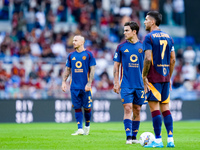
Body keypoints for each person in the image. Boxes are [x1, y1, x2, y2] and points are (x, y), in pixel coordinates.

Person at [142, 11, 176, 148]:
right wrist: (169, 78)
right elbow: (173, 60)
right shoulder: (169, 37)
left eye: (146, 20)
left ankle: (157, 140)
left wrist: (144, 75)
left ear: (153, 22)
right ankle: (171, 139)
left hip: (153, 78)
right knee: (166, 109)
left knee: (154, 109)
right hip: (165, 78)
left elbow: (148, 58)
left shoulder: (148, 37)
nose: (144, 22)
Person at [113, 21, 145, 144]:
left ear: (134, 31)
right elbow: (116, 66)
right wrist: (116, 82)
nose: (124, 33)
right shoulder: (121, 47)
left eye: (127, 30)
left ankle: (134, 137)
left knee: (137, 110)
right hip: (125, 84)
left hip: (140, 85)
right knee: (128, 108)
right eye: (124, 30)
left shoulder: (143, 47)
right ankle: (128, 137)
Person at [62, 35, 96, 135]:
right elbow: (67, 69)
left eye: (76, 40)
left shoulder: (89, 54)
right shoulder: (70, 55)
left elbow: (93, 70)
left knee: (87, 107)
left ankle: (87, 126)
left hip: (86, 87)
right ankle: (80, 128)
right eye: (73, 40)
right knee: (77, 107)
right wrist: (64, 81)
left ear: (82, 42)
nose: (73, 42)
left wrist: (89, 83)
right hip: (74, 87)